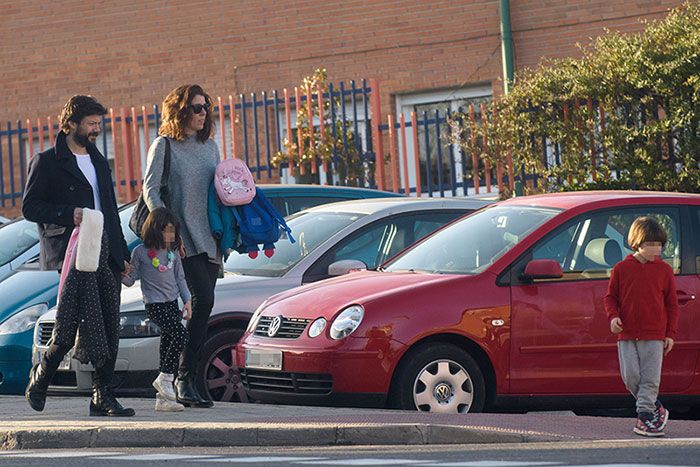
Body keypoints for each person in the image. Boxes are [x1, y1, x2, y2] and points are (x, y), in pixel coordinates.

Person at [22, 95, 134, 416]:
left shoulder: (98, 160)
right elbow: (31, 208)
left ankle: (102, 395)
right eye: (90, 124)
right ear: (71, 124)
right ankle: (42, 376)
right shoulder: (47, 161)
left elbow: (109, 209)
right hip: (75, 253)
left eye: (99, 124)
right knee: (70, 324)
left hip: (106, 250)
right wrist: (67, 213)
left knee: (109, 323)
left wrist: (122, 252)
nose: (96, 129)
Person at [142, 84, 220, 408]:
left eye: (207, 108)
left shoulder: (211, 147)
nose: (204, 114)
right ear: (181, 110)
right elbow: (150, 190)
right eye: (197, 107)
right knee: (200, 301)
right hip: (182, 240)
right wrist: (167, 232)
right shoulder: (164, 145)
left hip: (211, 239)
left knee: (203, 307)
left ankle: (177, 381)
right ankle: (183, 378)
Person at [604, 216, 679, 437]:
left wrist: (670, 334)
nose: (655, 249)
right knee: (631, 378)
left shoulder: (664, 271)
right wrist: (613, 317)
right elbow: (611, 298)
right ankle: (655, 408)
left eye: (659, 245)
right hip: (626, 334)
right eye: (650, 245)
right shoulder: (621, 269)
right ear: (637, 242)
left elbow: (672, 304)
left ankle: (645, 416)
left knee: (650, 378)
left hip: (654, 335)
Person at [123, 207, 192, 412]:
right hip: (154, 304)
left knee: (168, 342)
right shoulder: (141, 253)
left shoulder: (173, 254)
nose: (170, 236)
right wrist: (121, 271)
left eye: (173, 231)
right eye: (166, 231)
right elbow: (130, 280)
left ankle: (164, 400)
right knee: (181, 335)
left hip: (172, 303)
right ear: (154, 229)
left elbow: (180, 278)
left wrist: (187, 301)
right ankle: (165, 377)